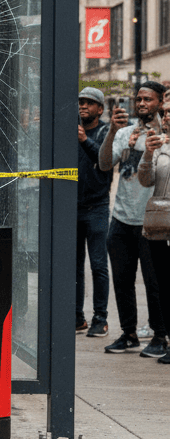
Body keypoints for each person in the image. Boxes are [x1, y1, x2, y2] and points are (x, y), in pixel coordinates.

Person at [98, 81, 168, 356]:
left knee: (154, 283)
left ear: (160, 103)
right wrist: (113, 132)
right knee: (122, 280)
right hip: (121, 219)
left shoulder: (165, 136)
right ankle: (128, 334)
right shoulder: (126, 132)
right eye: (138, 99)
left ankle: (160, 336)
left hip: (151, 222)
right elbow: (104, 164)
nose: (141, 104)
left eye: (148, 99)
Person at [76, 87, 113, 337]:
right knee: (74, 266)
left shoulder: (106, 132)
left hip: (97, 208)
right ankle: (77, 317)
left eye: (89, 103)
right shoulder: (71, 131)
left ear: (100, 109)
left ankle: (100, 318)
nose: (83, 107)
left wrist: (85, 141)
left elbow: (104, 162)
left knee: (98, 265)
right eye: (81, 103)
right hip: (72, 209)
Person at [138, 92, 170, 365]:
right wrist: (149, 153)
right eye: (167, 111)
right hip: (161, 226)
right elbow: (145, 180)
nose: (168, 115)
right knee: (163, 285)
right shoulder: (158, 144)